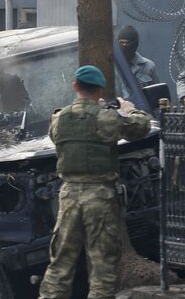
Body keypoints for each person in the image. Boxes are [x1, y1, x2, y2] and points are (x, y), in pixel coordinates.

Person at [38, 65, 152, 299]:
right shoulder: (107, 118)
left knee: (60, 265)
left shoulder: (59, 118)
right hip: (100, 198)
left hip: (69, 197)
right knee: (102, 269)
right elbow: (141, 127)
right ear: (100, 90)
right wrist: (128, 111)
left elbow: (57, 136)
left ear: (74, 86)